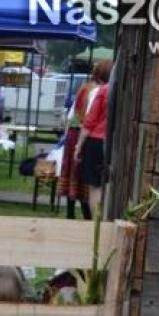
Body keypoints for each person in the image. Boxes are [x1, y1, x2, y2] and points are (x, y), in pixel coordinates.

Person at [61, 62, 107, 220]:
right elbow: (89, 119)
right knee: (87, 178)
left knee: (74, 173)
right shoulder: (99, 91)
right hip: (86, 134)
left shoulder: (84, 88)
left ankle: (71, 212)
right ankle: (88, 215)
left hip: (75, 133)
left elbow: (71, 116)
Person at [74, 59, 111, 218]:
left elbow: (90, 121)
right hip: (116, 143)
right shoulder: (124, 91)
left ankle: (96, 224)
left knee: (95, 187)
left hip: (96, 141)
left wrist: (78, 146)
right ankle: (107, 220)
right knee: (109, 185)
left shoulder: (102, 91)